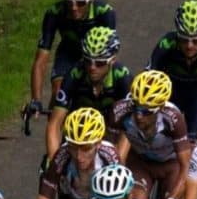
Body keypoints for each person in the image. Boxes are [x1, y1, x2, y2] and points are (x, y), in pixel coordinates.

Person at [25, 0, 116, 125]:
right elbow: (40, 60)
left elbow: (109, 53)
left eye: (80, 2)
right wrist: (36, 99)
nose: (74, 8)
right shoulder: (54, 13)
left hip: (94, 57)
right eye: (69, 2)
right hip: (67, 55)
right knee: (59, 93)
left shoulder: (105, 13)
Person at [108, 70, 191, 199]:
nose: (139, 116)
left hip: (171, 164)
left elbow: (186, 166)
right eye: (136, 107)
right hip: (141, 163)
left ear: (160, 108)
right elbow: (110, 152)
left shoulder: (173, 118)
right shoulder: (119, 112)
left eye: (146, 112)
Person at [46, 26, 133, 162]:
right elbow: (55, 123)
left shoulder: (123, 78)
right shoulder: (74, 74)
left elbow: (128, 128)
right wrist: (53, 162)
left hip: (110, 133)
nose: (92, 67)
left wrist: (117, 164)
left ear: (113, 60)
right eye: (87, 60)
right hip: (79, 133)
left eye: (99, 63)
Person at [149, 0, 197, 141]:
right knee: (164, 139)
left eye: (196, 41)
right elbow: (149, 79)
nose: (190, 46)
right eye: (184, 40)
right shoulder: (166, 44)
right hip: (171, 92)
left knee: (194, 140)